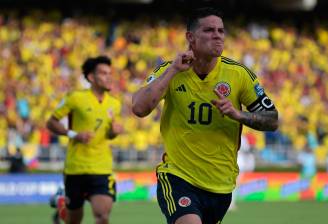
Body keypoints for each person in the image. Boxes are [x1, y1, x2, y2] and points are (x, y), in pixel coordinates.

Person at [132, 7, 278, 224]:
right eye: (209, 30)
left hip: (220, 184)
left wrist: (239, 115)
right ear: (190, 37)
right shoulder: (170, 70)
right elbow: (139, 108)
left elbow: (272, 119)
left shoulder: (238, 74)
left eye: (221, 30)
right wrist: (172, 71)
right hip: (178, 177)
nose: (217, 35)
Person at [46, 56, 123, 224]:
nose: (109, 76)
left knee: (102, 216)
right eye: (103, 73)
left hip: (101, 167)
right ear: (91, 77)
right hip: (76, 167)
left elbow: (108, 135)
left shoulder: (115, 103)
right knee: (74, 221)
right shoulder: (75, 98)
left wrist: (113, 132)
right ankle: (62, 204)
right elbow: (51, 122)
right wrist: (75, 134)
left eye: (110, 73)